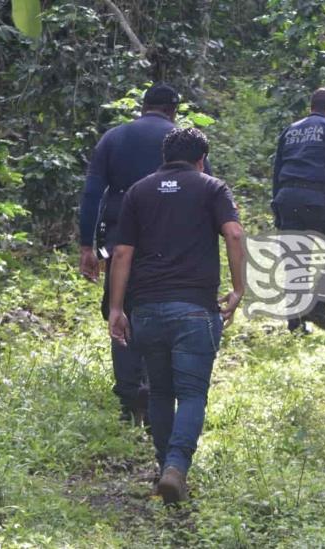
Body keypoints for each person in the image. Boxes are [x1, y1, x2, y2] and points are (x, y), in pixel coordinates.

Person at [108, 128, 245, 504]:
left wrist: (117, 308)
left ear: (164, 157)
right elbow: (233, 233)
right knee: (191, 393)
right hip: (194, 308)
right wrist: (238, 287)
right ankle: (176, 466)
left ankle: (164, 468)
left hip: (147, 310)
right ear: (201, 159)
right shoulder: (212, 187)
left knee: (161, 391)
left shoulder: (139, 191)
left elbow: (122, 253)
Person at [78, 83, 211, 424]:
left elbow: (93, 192)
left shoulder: (113, 138)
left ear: (143, 107)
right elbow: (204, 188)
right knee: (162, 305)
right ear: (172, 109)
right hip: (171, 239)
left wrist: (86, 246)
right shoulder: (182, 141)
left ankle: (129, 395)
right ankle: (157, 389)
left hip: (119, 234)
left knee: (120, 308)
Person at [272, 86, 325, 333]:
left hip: (287, 197)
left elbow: (277, 171)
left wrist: (277, 204)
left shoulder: (290, 130)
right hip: (318, 198)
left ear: (311, 106)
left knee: (295, 258)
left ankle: (296, 323)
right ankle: (319, 307)